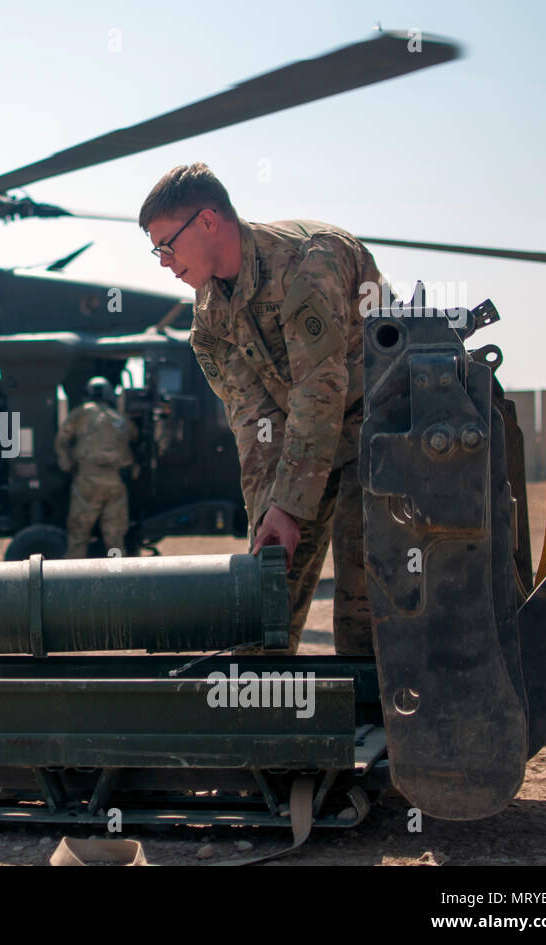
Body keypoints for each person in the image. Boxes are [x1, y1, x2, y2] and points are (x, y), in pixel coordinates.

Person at [139, 162, 378, 654]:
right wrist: (270, 517)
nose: (163, 261)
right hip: (303, 440)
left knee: (364, 610)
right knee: (266, 597)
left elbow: (321, 387)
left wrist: (289, 506)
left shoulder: (308, 262)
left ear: (207, 222)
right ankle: (269, 711)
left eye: (167, 245)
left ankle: (372, 722)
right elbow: (253, 424)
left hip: (377, 434)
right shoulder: (210, 313)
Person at [55, 376, 138, 559]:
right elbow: (135, 437)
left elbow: (62, 439)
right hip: (115, 482)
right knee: (115, 537)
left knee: (79, 535)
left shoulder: (81, 413)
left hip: (87, 481)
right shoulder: (120, 419)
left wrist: (66, 464)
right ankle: (117, 576)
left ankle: (73, 578)